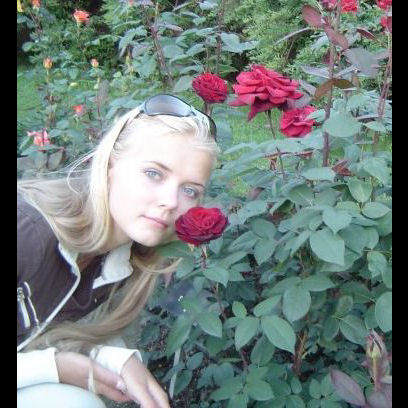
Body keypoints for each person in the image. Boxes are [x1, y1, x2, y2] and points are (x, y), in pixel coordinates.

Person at [17, 94, 220, 407]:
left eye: (190, 190)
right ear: (110, 164)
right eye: (154, 173)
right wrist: (55, 367)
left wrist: (113, 357)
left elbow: (46, 334)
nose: (171, 201)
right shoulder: (27, 233)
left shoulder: (120, 261)